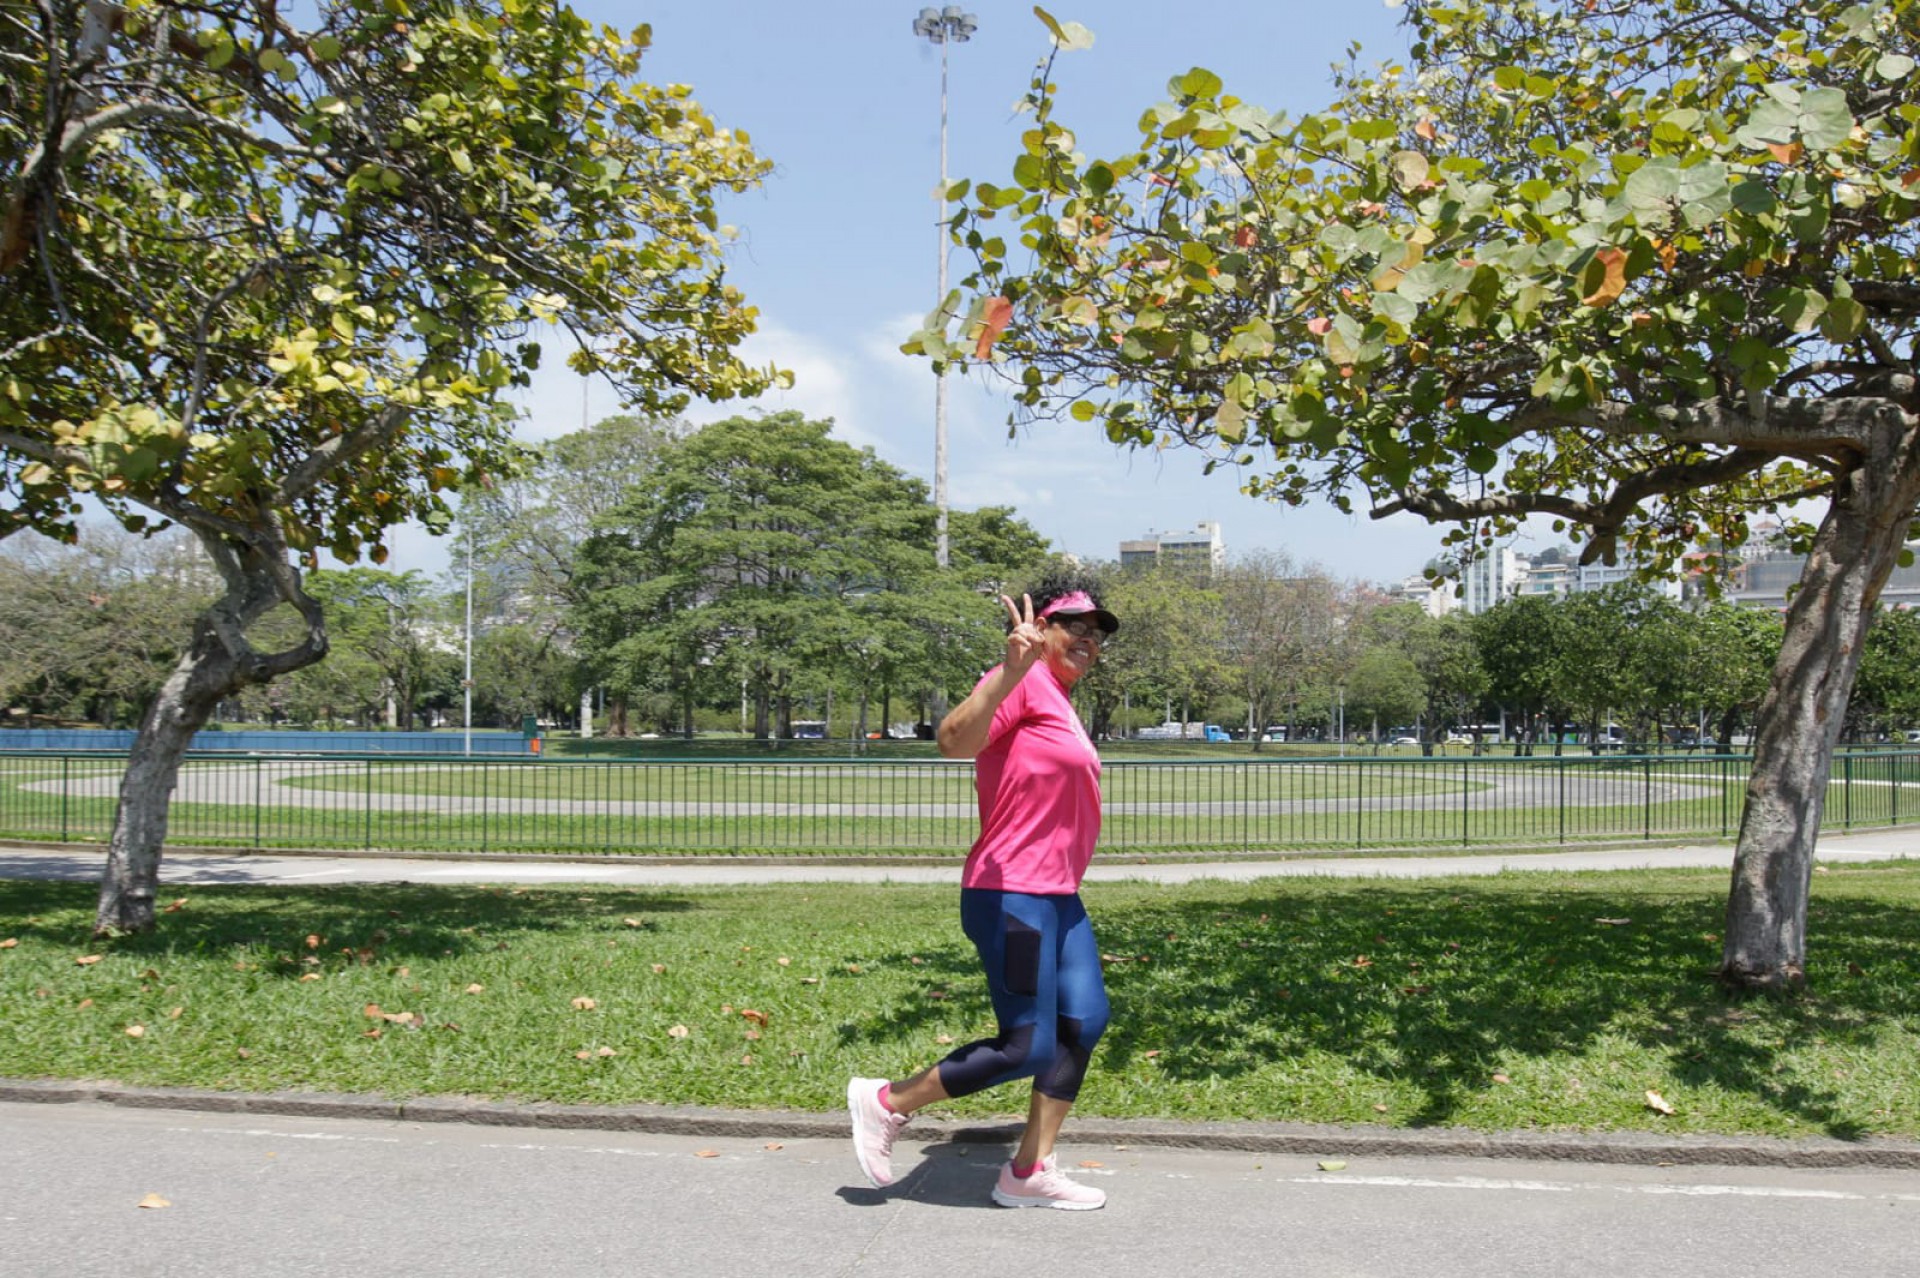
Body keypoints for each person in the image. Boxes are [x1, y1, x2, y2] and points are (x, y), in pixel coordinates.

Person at [847, 574, 1118, 1210]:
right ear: (1040, 629)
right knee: (1028, 1044)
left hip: (1058, 896)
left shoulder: (1058, 697)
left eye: (1096, 632)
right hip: (1010, 890)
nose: (1087, 639)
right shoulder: (1020, 682)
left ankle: (1026, 1172)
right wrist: (1008, 668)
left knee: (1084, 1023)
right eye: (1072, 626)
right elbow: (952, 743)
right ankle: (887, 1101)